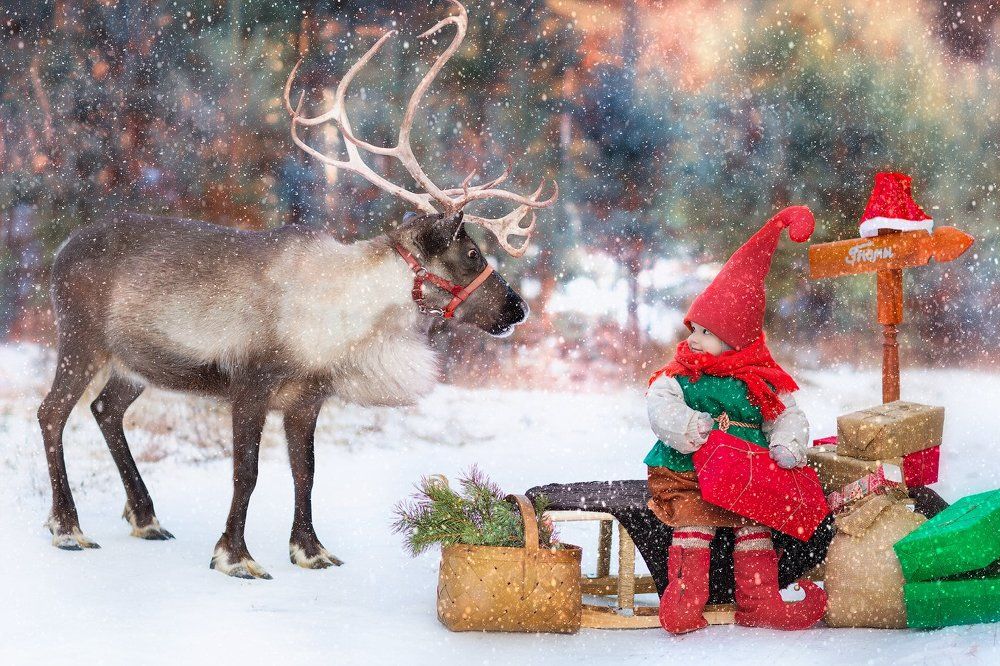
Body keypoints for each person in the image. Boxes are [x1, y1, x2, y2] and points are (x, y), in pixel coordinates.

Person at [644, 206, 827, 634]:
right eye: (693, 328)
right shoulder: (681, 374)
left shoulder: (761, 378)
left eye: (704, 332)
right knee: (693, 525)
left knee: (755, 527)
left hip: (747, 472)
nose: (692, 339)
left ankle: (759, 601)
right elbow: (660, 404)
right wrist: (688, 427)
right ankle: (685, 602)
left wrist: (786, 444)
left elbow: (788, 416)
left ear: (734, 338)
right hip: (689, 468)